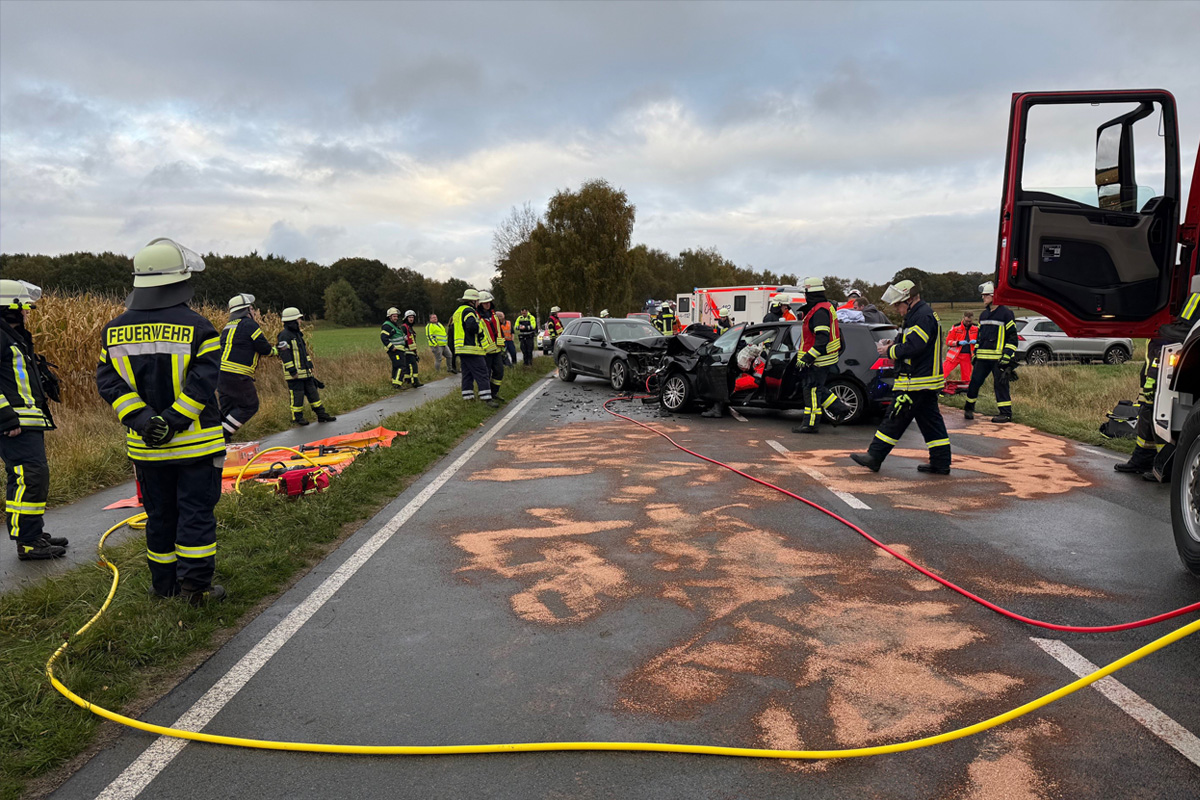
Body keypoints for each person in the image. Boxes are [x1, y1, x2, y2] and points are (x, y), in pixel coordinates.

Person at [95, 239, 226, 604]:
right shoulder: (199, 327)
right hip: (196, 447)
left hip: (147, 449)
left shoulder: (114, 330)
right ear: (179, 281)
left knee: (160, 517)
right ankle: (196, 589)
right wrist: (172, 421)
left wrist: (143, 419)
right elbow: (203, 384)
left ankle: (163, 587)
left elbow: (108, 382)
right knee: (196, 516)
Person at [851, 280, 951, 475]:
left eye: (898, 304)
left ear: (910, 299)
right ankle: (940, 462)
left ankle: (874, 456)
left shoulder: (921, 316)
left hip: (915, 381)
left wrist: (889, 350)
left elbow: (915, 347)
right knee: (931, 424)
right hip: (925, 380)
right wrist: (893, 342)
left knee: (894, 418)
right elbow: (912, 341)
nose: (897, 309)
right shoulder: (920, 314)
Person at [1, 280, 67, 561]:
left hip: (27, 421)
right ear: (9, 309)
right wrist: (5, 417)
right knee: (29, 477)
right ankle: (28, 542)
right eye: (25, 308)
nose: (28, 313)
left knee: (31, 477)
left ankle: (33, 533)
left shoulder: (12, 337)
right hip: (14, 424)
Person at [1115, 280, 1200, 480]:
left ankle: (1165, 465)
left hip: (1167, 359)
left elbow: (1178, 331)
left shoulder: (1194, 295)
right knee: (1148, 412)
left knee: (1160, 413)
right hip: (1157, 361)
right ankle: (1143, 459)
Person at [791, 277, 848, 434]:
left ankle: (810, 424)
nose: (805, 297)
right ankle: (839, 408)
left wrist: (808, 358)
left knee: (812, 391)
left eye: (806, 293)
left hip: (818, 360)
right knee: (817, 389)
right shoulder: (826, 307)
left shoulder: (820, 312)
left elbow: (821, 340)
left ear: (811, 293)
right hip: (824, 358)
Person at [217, 293, 275, 442]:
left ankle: (219, 443)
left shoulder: (227, 327)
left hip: (221, 375)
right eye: (252, 308)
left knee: (228, 410)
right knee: (249, 405)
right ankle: (222, 435)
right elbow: (263, 347)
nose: (255, 312)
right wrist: (276, 351)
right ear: (247, 310)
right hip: (237, 374)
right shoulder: (249, 324)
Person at [963, 281, 1017, 423]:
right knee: (974, 382)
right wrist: (975, 353)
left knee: (1000, 385)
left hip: (999, 359)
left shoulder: (1006, 314)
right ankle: (969, 408)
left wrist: (1007, 356)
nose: (983, 298)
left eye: (985, 295)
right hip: (982, 358)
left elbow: (1013, 338)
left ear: (994, 296)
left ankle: (1005, 414)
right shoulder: (983, 315)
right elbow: (980, 336)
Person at [277, 307, 337, 425]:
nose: (300, 321)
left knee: (313, 393)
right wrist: (292, 371)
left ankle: (321, 414)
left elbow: (304, 352)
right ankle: (297, 418)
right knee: (297, 396)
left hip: (305, 372)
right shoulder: (284, 335)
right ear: (292, 320)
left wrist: (309, 364)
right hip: (294, 374)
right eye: (298, 319)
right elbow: (284, 354)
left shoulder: (297, 334)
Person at [452, 289, 497, 407]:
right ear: (473, 301)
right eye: (477, 300)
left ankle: (468, 398)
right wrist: (480, 330)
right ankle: (487, 399)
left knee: (467, 374)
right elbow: (472, 326)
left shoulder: (458, 311)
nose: (478, 303)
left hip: (461, 348)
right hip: (471, 348)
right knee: (482, 372)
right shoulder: (469, 311)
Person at [478, 292, 505, 403]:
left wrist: (503, 345)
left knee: (499, 371)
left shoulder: (493, 314)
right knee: (486, 374)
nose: (488, 304)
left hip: (497, 349)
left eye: (489, 302)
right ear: (480, 304)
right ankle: (486, 396)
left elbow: (499, 330)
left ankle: (494, 392)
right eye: (485, 303)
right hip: (485, 351)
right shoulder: (477, 316)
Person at [942, 311, 977, 384]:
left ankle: (964, 390)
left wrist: (976, 341)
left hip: (968, 356)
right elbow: (948, 342)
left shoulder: (976, 328)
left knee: (966, 377)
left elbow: (982, 340)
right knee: (943, 371)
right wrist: (958, 343)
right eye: (966, 321)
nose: (968, 323)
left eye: (970, 321)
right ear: (963, 318)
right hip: (954, 356)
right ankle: (937, 386)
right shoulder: (955, 327)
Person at [381, 307, 407, 389]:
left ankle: (394, 382)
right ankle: (397, 384)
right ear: (390, 317)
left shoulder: (394, 325)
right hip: (395, 350)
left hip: (399, 349)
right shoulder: (387, 326)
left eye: (396, 316)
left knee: (396, 366)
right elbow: (383, 338)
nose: (396, 318)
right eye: (394, 316)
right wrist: (391, 347)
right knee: (401, 366)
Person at [400, 310, 423, 388]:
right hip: (407, 350)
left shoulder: (410, 327)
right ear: (406, 318)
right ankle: (415, 381)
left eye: (412, 317)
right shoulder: (404, 327)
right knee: (413, 366)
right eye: (409, 317)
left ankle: (408, 380)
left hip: (412, 351)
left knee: (408, 366)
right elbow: (401, 337)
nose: (411, 319)